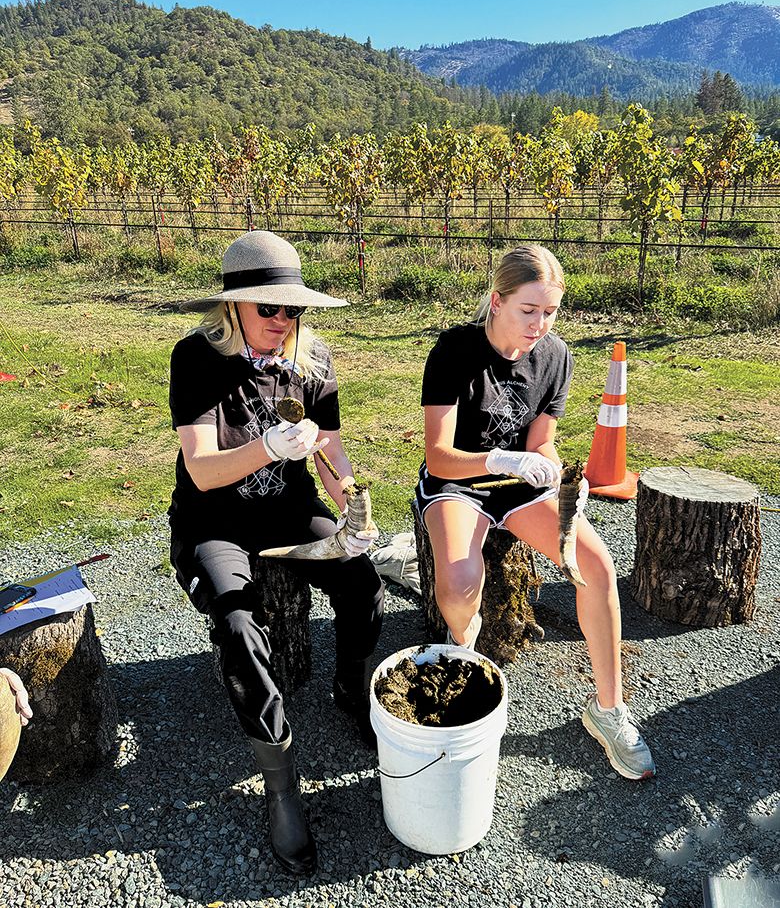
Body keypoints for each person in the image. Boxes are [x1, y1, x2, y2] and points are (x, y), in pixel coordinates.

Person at [169, 230, 384, 875]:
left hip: (288, 510)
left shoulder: (311, 362)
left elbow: (332, 449)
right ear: (233, 308)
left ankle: (352, 687)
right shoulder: (198, 359)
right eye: (270, 308)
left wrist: (348, 495)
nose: (284, 320)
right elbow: (202, 470)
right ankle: (280, 775)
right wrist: (268, 447)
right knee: (236, 621)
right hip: (215, 521)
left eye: (293, 309)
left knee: (361, 578)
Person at [416, 245, 655, 781]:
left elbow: (542, 441)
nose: (540, 325)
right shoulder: (455, 349)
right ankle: (461, 652)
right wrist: (500, 457)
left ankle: (609, 710)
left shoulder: (556, 356)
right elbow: (439, 455)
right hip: (458, 482)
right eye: (529, 311)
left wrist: (557, 473)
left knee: (596, 565)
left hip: (517, 486)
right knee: (458, 580)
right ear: (497, 302)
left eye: (550, 312)